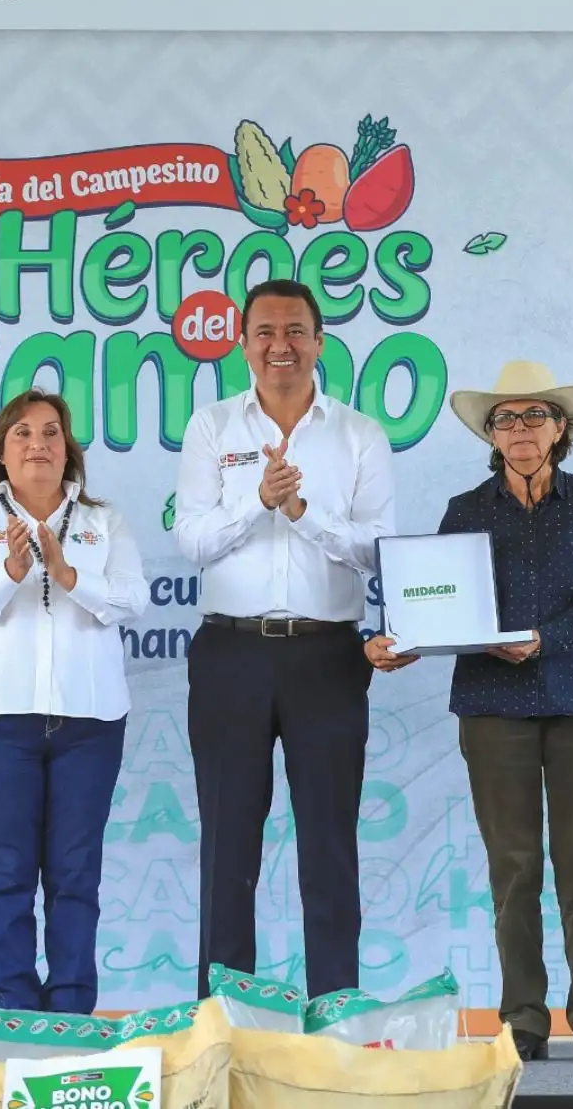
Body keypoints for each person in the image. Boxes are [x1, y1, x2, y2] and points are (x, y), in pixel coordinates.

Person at [367, 360, 573, 1062]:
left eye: (534, 415)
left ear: (561, 427)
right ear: (490, 434)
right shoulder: (465, 511)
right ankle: (524, 1020)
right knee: (513, 869)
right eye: (506, 418)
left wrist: (545, 640)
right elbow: (439, 601)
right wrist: (410, 638)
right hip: (492, 704)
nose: (520, 429)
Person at [173, 278, 395, 1000]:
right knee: (227, 844)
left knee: (328, 842)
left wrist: (302, 512)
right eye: (265, 331)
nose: (281, 345)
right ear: (243, 345)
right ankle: (225, 1015)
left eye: (296, 330)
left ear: (319, 342)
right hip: (230, 653)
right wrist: (256, 502)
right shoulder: (212, 427)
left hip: (327, 655)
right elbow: (191, 540)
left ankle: (335, 1010)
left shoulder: (358, 434)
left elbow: (378, 550)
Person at [0, 388, 149, 1013]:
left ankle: (72, 1010)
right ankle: (17, 1011)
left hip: (90, 721)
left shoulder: (103, 522)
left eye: (51, 432)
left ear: (68, 449)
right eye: (23, 434)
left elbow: (133, 600)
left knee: (75, 874)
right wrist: (9, 571)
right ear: (2, 455)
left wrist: (68, 573)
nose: (39, 444)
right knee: (7, 873)